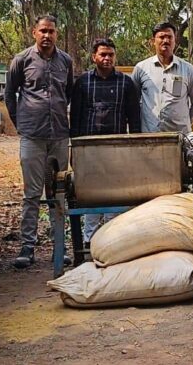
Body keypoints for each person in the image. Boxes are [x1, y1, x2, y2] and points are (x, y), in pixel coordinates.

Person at [4, 14, 75, 269]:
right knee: (32, 193)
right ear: (34, 32)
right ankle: (27, 247)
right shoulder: (22, 60)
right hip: (32, 136)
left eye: (51, 31)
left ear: (56, 34)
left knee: (57, 192)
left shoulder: (65, 61)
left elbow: (68, 93)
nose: (47, 35)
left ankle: (59, 246)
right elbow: (10, 94)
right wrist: (21, 123)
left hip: (59, 136)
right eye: (43, 31)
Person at [69, 38, 141, 249]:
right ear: (94, 57)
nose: (107, 58)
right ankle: (89, 241)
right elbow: (76, 117)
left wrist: (134, 148)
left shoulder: (125, 83)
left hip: (117, 148)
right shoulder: (83, 82)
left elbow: (134, 117)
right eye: (103, 54)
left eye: (110, 54)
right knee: (91, 194)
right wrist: (75, 149)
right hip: (89, 149)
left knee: (115, 194)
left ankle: (112, 240)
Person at [131, 23, 193, 134]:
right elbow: (133, 102)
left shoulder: (188, 69)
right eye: (161, 37)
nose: (166, 40)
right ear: (153, 41)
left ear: (175, 40)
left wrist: (184, 121)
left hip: (179, 136)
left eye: (169, 37)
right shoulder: (141, 68)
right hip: (149, 135)